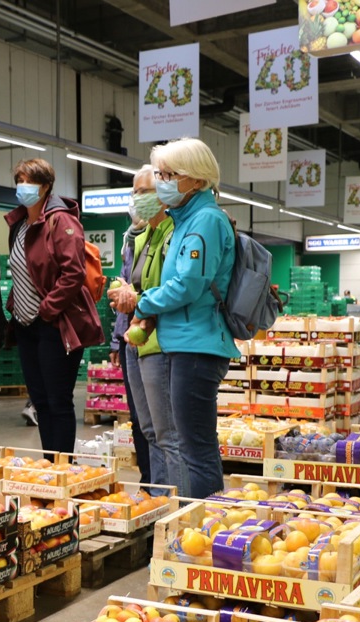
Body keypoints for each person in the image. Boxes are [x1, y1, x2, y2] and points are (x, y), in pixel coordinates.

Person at [123, 138, 239, 499]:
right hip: (184, 342)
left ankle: (205, 528)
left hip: (198, 345)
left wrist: (143, 303)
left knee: (195, 448)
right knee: (189, 445)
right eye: (159, 174)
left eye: (169, 175)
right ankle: (195, 522)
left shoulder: (205, 221)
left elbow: (188, 285)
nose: (161, 182)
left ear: (197, 180)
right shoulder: (186, 220)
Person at [4, 158, 104, 454]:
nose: (23, 187)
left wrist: (46, 309)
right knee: (40, 400)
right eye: (19, 180)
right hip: (26, 325)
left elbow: (73, 272)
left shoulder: (60, 221)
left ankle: (63, 468)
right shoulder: (20, 224)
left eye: (29, 181)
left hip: (54, 324)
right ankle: (50, 466)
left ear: (46, 186)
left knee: (57, 400)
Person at [110, 166, 186, 495]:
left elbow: (172, 288)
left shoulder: (175, 233)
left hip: (160, 344)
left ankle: (179, 505)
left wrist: (136, 300)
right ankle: (158, 499)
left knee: (168, 435)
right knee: (149, 431)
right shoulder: (143, 236)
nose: (137, 199)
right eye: (134, 192)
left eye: (145, 191)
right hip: (135, 343)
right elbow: (140, 283)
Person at [110, 206, 152, 485]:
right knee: (138, 418)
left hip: (153, 336)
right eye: (134, 193)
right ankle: (148, 479)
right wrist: (116, 339)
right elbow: (122, 300)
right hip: (130, 339)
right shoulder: (130, 243)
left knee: (155, 422)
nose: (136, 202)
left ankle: (159, 482)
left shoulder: (163, 237)